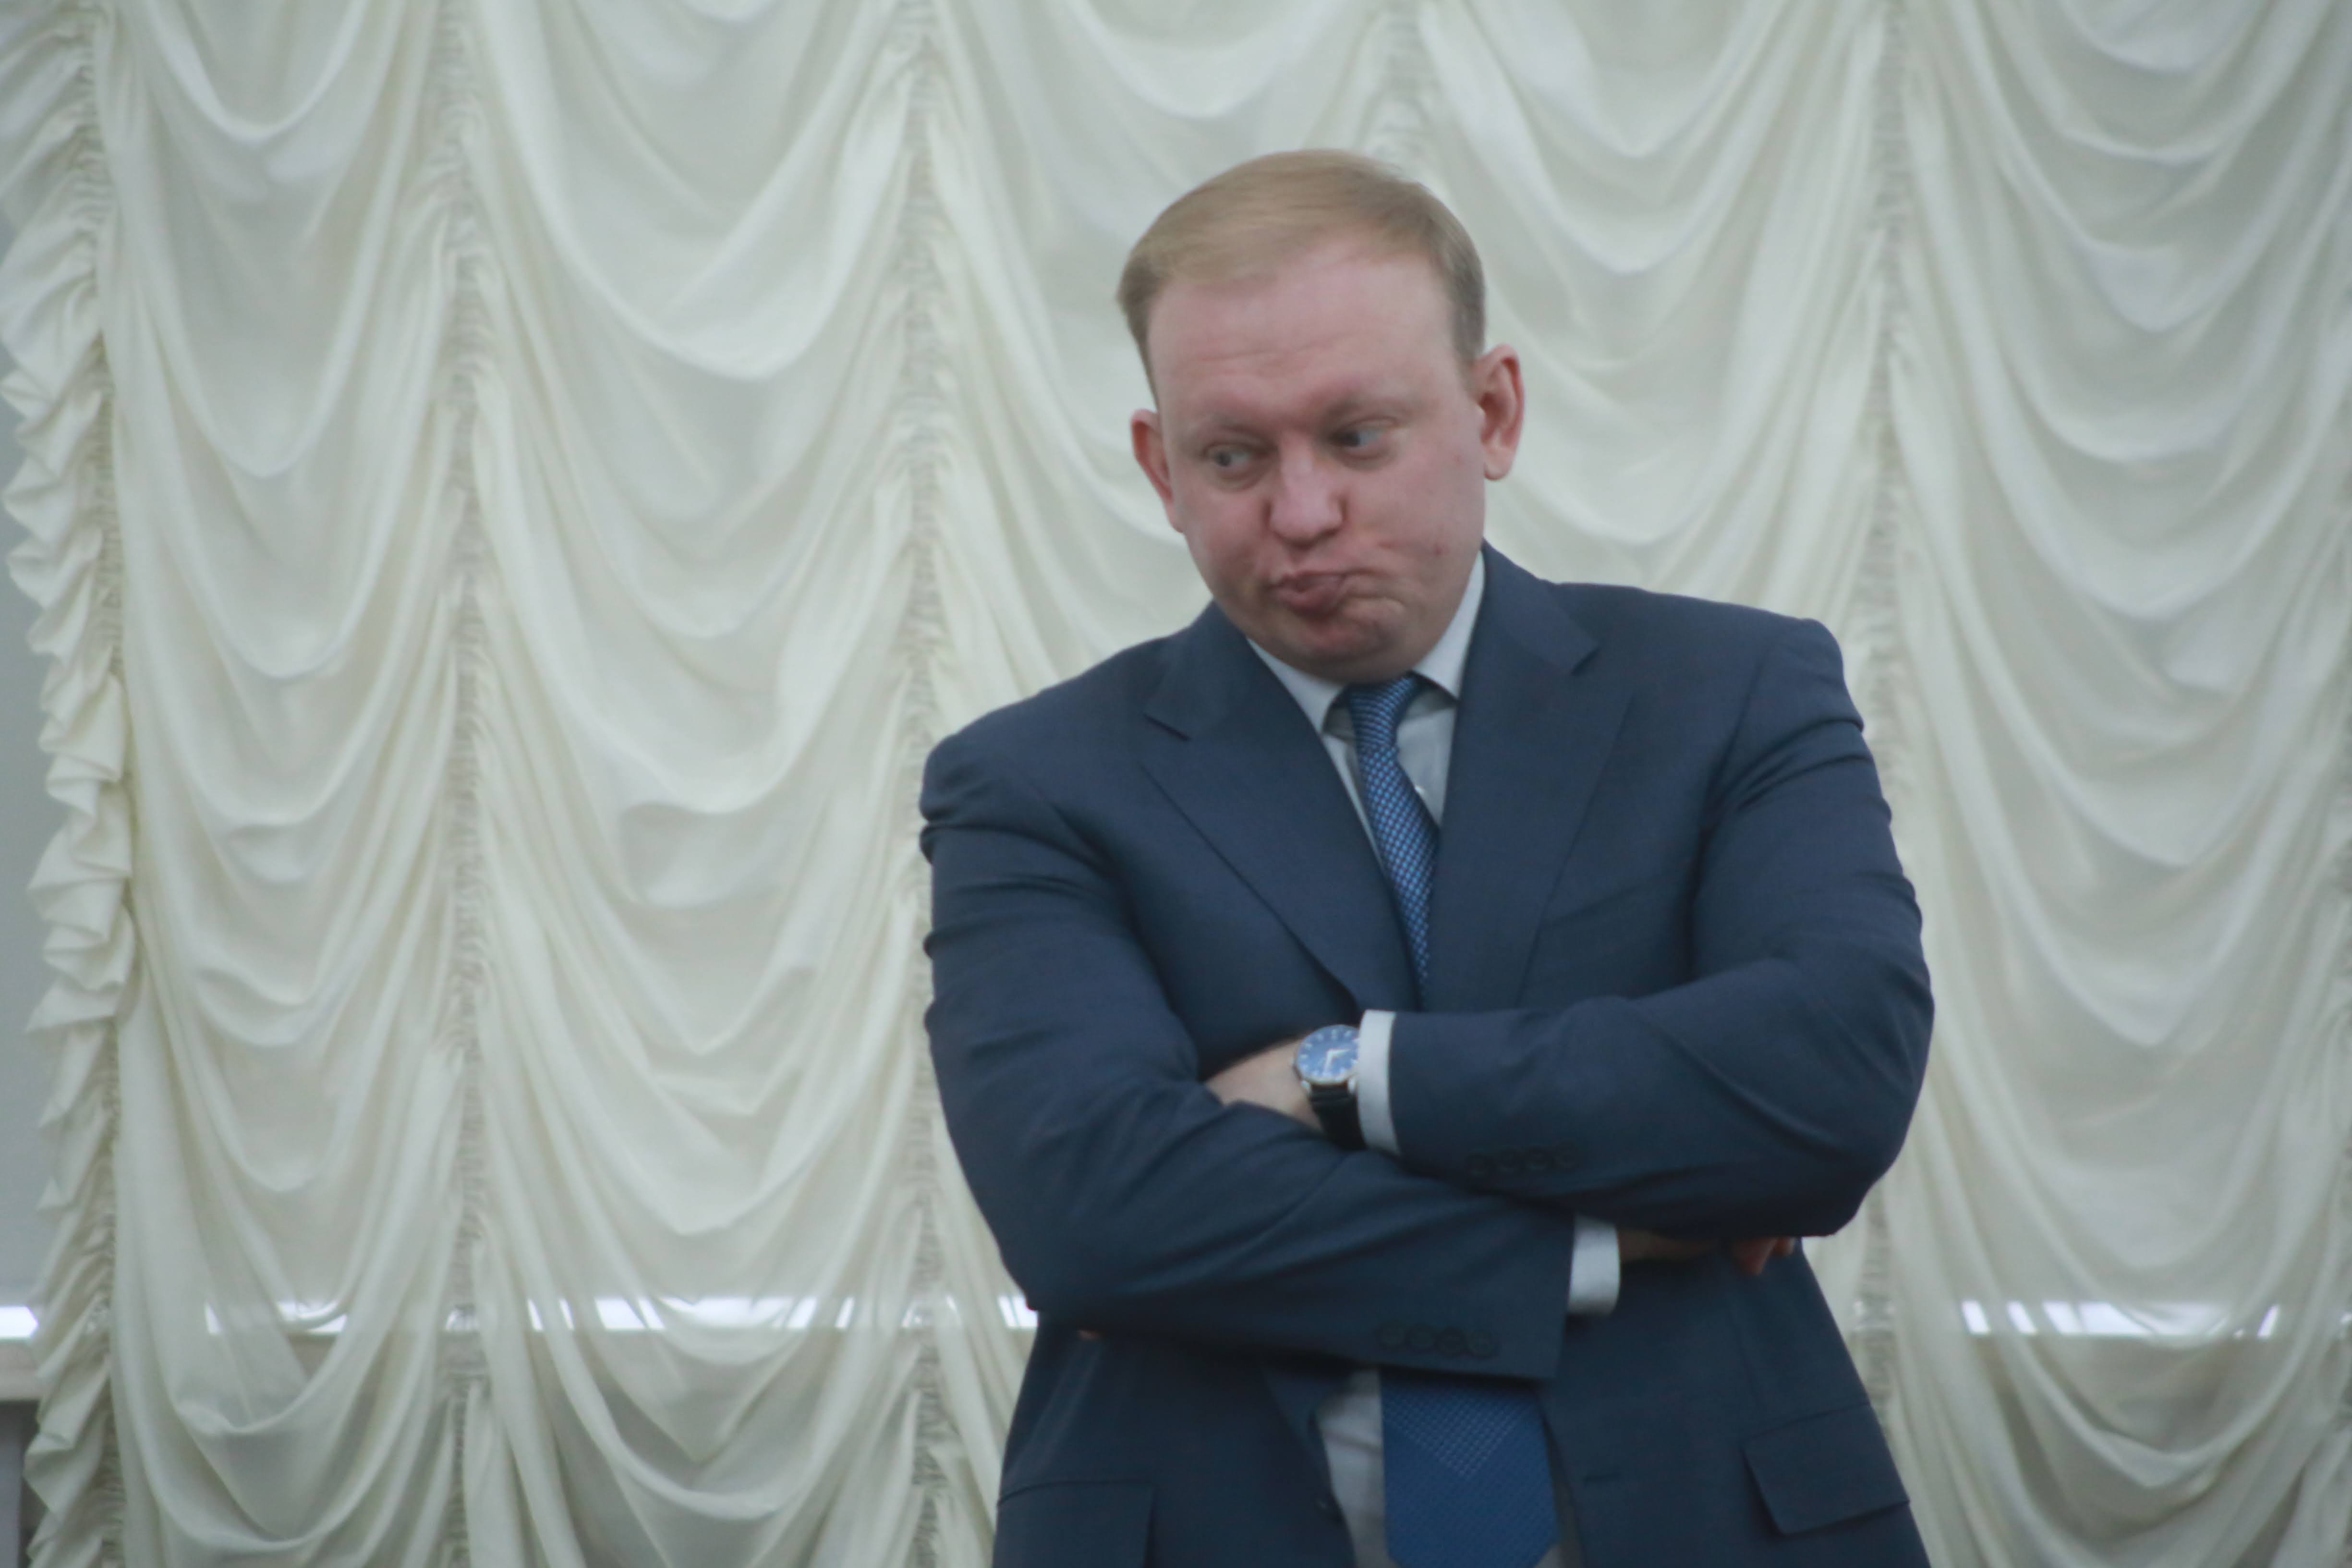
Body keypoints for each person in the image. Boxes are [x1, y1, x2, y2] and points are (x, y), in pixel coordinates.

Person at [921, 150, 1933, 1568]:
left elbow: (1827, 1078)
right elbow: (1092, 1213)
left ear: (1492, 411)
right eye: (1234, 457)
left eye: (1356, 437)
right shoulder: (1036, 780)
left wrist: (1340, 1076)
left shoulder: (1729, 692)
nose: (1301, 513)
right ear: (1161, 469)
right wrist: (1605, 1239)